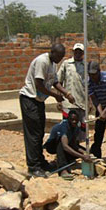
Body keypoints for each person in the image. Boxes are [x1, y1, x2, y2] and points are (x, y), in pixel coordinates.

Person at [19, 44, 75, 178]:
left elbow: (55, 82)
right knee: (33, 134)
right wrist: (55, 96)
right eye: (59, 56)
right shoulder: (42, 61)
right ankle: (33, 167)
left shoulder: (52, 64)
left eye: (62, 57)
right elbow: (39, 84)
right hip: (29, 99)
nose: (60, 59)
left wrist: (66, 94)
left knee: (39, 133)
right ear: (52, 52)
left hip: (38, 101)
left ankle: (40, 162)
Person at [43, 110, 91, 180]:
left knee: (83, 150)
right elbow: (65, 146)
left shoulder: (76, 128)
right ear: (68, 119)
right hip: (53, 146)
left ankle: (65, 161)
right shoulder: (64, 126)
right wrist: (82, 156)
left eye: (76, 120)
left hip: (67, 144)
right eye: (72, 120)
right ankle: (63, 169)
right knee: (61, 143)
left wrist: (85, 153)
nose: (74, 121)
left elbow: (74, 145)